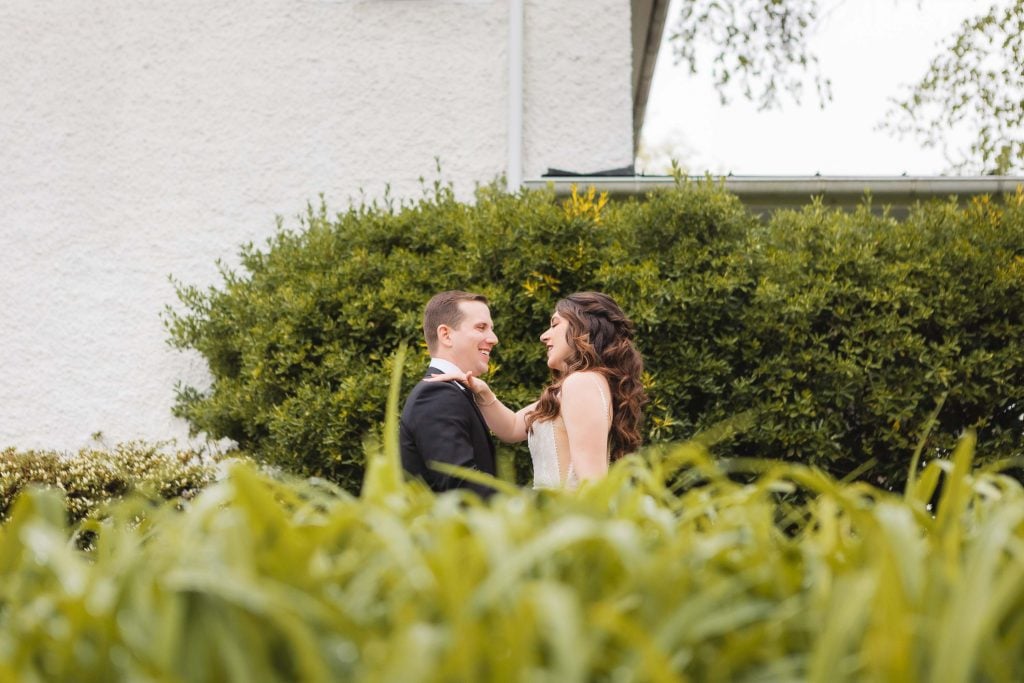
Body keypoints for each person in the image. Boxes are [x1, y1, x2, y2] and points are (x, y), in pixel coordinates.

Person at [430, 291, 647, 489]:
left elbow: (593, 484)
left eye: (555, 324)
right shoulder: (574, 385)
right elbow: (512, 428)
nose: (544, 336)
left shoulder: (582, 383)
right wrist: (483, 392)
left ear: (582, 327)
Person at [399, 290, 500, 497]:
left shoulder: (451, 391)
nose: (493, 339)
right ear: (446, 335)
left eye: (491, 329)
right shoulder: (436, 395)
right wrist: (542, 501)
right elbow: (462, 488)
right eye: (481, 327)